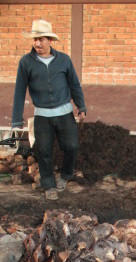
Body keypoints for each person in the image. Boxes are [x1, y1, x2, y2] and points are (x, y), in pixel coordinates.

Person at [12, 20, 87, 200]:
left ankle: (66, 175)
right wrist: (16, 118)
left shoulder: (63, 60)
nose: (37, 43)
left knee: (72, 146)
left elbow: (74, 84)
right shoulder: (26, 62)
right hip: (42, 116)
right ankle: (48, 184)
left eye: (41, 39)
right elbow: (19, 90)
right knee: (44, 151)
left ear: (50, 41)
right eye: (35, 39)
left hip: (64, 113)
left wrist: (81, 106)